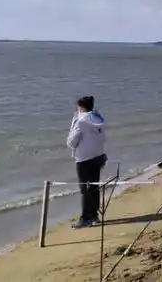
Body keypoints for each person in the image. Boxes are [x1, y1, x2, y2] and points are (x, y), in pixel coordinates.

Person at [66, 96, 107, 229]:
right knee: (94, 187)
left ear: (81, 108)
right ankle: (94, 216)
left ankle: (85, 218)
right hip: (98, 156)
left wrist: (74, 121)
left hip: (84, 159)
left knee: (85, 189)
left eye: (78, 108)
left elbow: (71, 143)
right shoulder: (97, 118)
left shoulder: (80, 121)